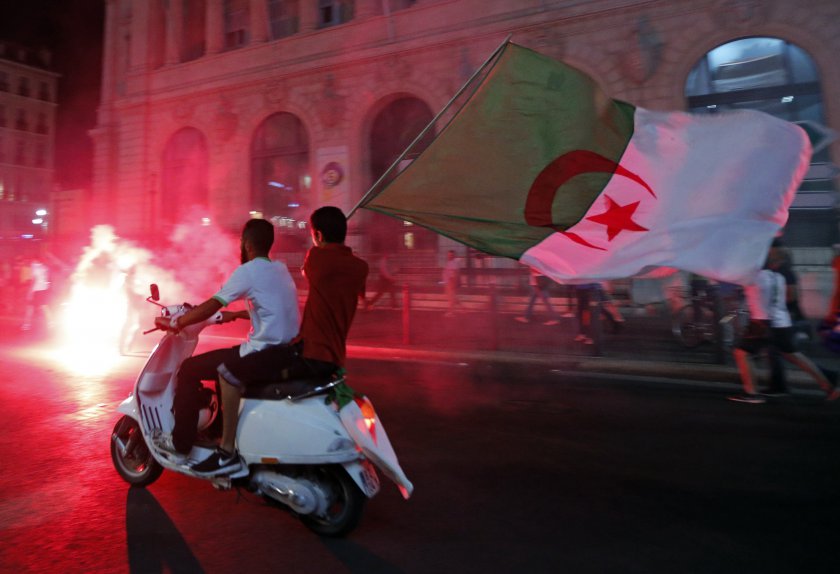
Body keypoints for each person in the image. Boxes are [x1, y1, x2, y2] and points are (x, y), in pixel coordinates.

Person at [188, 206, 369, 476]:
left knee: (227, 372)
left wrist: (181, 320)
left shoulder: (316, 259)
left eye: (313, 234)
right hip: (334, 358)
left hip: (308, 354)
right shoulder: (359, 268)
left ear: (317, 234)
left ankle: (227, 453)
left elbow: (310, 268)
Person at [153, 218, 300, 467]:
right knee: (226, 359)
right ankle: (216, 430)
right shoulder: (281, 269)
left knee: (188, 370)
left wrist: (180, 322)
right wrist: (240, 314)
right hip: (284, 352)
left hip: (260, 354)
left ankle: (181, 444)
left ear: (246, 245)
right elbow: (272, 308)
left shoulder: (248, 271)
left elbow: (214, 302)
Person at [729, 250, 839, 404]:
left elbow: (729, 276)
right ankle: (828, 385)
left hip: (761, 322)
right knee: (792, 354)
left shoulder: (753, 277)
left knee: (741, 353)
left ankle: (752, 393)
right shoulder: (778, 277)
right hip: (782, 321)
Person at [22, 256, 51, 332]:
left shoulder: (34, 266)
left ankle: (26, 325)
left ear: (33, 260)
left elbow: (34, 280)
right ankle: (50, 323)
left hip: (36, 290)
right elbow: (47, 279)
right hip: (43, 289)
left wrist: (29, 292)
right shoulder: (44, 267)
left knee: (30, 307)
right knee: (44, 306)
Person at [442, 249, 462, 317]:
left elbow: (456, 274)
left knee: (451, 299)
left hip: (451, 282)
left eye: (451, 255)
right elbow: (447, 273)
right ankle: (463, 309)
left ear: (453, 256)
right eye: (448, 255)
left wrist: (453, 283)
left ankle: (451, 312)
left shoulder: (454, 263)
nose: (449, 256)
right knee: (452, 298)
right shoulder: (449, 262)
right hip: (448, 283)